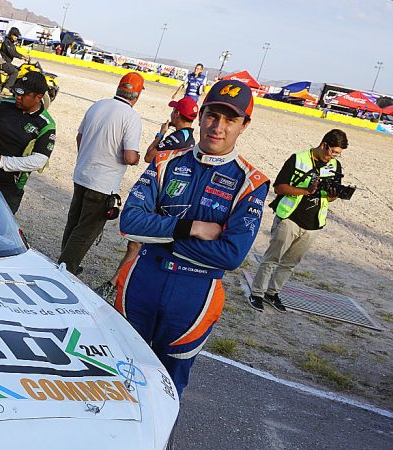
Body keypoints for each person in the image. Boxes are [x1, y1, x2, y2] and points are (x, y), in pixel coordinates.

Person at [115, 80, 270, 396]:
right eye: (213, 115)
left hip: (194, 294)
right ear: (200, 116)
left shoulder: (250, 182)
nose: (218, 127)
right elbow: (129, 223)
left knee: (167, 387)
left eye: (230, 119)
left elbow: (230, 254)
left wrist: (159, 232)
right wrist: (191, 228)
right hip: (143, 279)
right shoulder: (165, 161)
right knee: (119, 373)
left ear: (244, 125)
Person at [98, 96, 198, 299]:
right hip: (171, 197)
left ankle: (116, 284)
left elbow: (149, 156)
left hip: (159, 195)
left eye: (174, 111)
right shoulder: (190, 139)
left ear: (177, 114)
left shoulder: (176, 137)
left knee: (135, 243)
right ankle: (121, 283)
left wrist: (160, 134)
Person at [248, 129, 349, 312]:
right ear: (324, 144)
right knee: (272, 258)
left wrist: (334, 195)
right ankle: (256, 293)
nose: (333, 157)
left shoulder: (335, 166)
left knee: (290, 263)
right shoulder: (298, 158)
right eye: (332, 152)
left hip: (314, 223)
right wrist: (306, 190)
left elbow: (330, 198)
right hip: (289, 217)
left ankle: (272, 293)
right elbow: (279, 187)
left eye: (338, 154)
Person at [57, 72, 144, 276]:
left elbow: (80, 137)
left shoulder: (97, 105)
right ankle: (65, 268)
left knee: (74, 222)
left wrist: (87, 156)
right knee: (87, 229)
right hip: (103, 183)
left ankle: (65, 260)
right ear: (137, 96)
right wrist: (137, 158)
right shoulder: (131, 117)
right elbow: (130, 157)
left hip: (82, 174)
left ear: (119, 88)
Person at [0, 72, 56, 214]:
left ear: (38, 97)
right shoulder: (3, 105)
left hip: (10, 185)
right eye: (16, 93)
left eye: (23, 95)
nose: (17, 97)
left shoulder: (46, 125)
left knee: (1, 229)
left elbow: (39, 160)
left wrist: (3, 162)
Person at [0, 27, 25, 93]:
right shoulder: (6, 43)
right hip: (3, 62)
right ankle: (6, 89)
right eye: (15, 35)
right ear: (11, 34)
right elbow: (11, 52)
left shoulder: (12, 44)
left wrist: (24, 56)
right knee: (15, 72)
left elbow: (15, 52)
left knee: (19, 69)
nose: (16, 37)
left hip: (7, 63)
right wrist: (21, 57)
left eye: (17, 36)